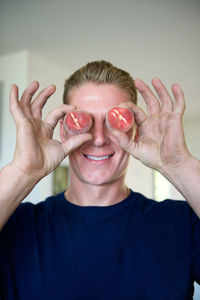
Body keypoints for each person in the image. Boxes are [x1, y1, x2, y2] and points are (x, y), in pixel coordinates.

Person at [0, 60, 200, 299]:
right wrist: (22, 170)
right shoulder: (17, 226)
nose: (98, 139)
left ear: (134, 132)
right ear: (64, 131)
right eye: (81, 122)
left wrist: (179, 165)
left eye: (114, 121)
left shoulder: (181, 223)